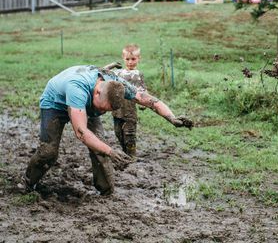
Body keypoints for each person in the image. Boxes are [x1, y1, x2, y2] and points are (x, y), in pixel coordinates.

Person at [23, 65, 193, 195]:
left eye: (108, 111)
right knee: (48, 151)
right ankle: (28, 183)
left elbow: (147, 99)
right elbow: (81, 132)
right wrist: (111, 151)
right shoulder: (77, 89)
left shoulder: (116, 85)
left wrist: (171, 117)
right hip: (55, 104)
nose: (104, 113)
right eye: (104, 109)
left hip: (86, 105)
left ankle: (106, 192)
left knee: (99, 148)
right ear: (97, 93)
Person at [111, 44, 147, 158]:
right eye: (127, 59)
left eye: (133, 59)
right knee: (118, 133)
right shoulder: (118, 73)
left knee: (129, 134)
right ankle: (125, 152)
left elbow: (143, 90)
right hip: (117, 110)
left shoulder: (138, 75)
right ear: (123, 58)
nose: (130, 62)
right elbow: (102, 73)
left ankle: (132, 156)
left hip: (130, 111)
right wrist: (111, 65)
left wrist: (144, 103)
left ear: (138, 58)